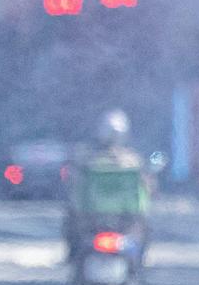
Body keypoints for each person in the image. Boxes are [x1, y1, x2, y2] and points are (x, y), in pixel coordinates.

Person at [64, 109, 153, 257]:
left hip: (93, 219)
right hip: (124, 218)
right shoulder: (132, 160)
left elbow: (74, 184)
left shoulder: (87, 158)